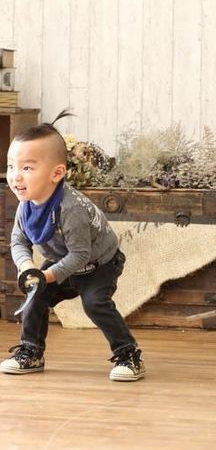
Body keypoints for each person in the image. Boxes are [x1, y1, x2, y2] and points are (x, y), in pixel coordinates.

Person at [0, 111, 145, 381]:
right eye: (11, 167)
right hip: (61, 261)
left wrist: (45, 276)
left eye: (27, 168)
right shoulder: (25, 205)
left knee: (95, 303)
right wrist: (28, 268)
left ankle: (128, 354)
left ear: (57, 173)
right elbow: (19, 241)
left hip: (98, 264)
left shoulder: (71, 208)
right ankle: (31, 352)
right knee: (35, 296)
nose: (15, 176)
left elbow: (80, 254)